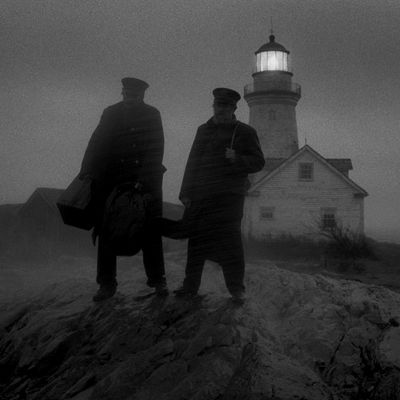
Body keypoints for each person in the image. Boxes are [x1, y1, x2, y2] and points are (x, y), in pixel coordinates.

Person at [80, 77, 167, 302]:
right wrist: (87, 171)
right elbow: (96, 142)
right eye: (128, 94)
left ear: (143, 96)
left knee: (150, 230)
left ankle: (158, 281)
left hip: (144, 181)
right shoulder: (110, 113)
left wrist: (143, 181)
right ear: (122, 92)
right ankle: (106, 284)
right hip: (111, 180)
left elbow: (156, 149)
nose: (131, 99)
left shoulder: (152, 114)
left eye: (135, 96)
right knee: (106, 230)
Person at [175, 87, 265, 303]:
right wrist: (185, 192)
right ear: (213, 105)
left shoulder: (245, 132)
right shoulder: (202, 130)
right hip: (201, 196)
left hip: (229, 199)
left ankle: (236, 290)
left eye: (226, 106)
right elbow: (192, 162)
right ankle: (190, 287)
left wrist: (237, 158)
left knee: (231, 243)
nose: (221, 109)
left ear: (234, 108)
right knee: (196, 242)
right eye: (218, 105)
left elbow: (258, 162)